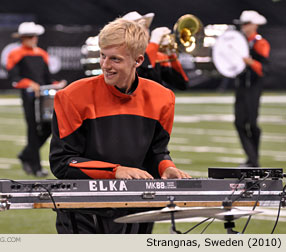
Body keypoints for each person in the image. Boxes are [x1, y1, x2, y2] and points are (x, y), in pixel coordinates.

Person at [49, 18, 190, 234]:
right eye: (102, 56)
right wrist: (115, 171)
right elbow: (62, 162)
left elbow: (156, 152)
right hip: (84, 211)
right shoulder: (71, 97)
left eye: (115, 59)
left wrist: (166, 168)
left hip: (138, 207)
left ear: (138, 60)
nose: (105, 65)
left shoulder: (163, 98)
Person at [6, 22, 53, 177]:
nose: (35, 39)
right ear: (23, 38)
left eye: (35, 36)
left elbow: (47, 77)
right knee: (32, 129)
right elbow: (14, 78)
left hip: (43, 96)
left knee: (48, 128)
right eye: (31, 37)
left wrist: (55, 84)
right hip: (28, 96)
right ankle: (36, 167)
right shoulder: (15, 53)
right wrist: (29, 84)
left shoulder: (42, 53)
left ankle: (26, 154)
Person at [233, 10, 270, 167]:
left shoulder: (260, 43)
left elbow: (264, 69)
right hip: (241, 86)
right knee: (239, 122)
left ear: (255, 25)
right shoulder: (239, 42)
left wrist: (251, 63)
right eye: (243, 24)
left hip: (253, 87)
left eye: (247, 23)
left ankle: (253, 159)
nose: (243, 27)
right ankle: (252, 159)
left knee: (252, 124)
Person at [122, 11, 189, 91]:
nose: (145, 31)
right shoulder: (122, 55)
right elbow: (140, 72)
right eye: (139, 27)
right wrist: (154, 42)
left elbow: (182, 84)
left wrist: (171, 55)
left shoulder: (155, 56)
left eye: (145, 27)